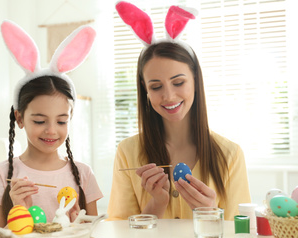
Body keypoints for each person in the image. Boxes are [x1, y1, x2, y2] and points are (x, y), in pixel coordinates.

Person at [107, 1, 251, 221]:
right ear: (145, 90)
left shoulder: (230, 155)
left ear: (195, 81)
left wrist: (211, 214)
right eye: (156, 87)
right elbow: (117, 234)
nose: (169, 96)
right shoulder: (127, 152)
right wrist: (156, 205)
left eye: (178, 82)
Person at [0, 21, 103, 229]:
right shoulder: (2, 175)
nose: (51, 130)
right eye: (39, 121)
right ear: (19, 118)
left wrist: (77, 224)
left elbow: (96, 237)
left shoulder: (83, 174)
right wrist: (16, 208)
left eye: (61, 121)